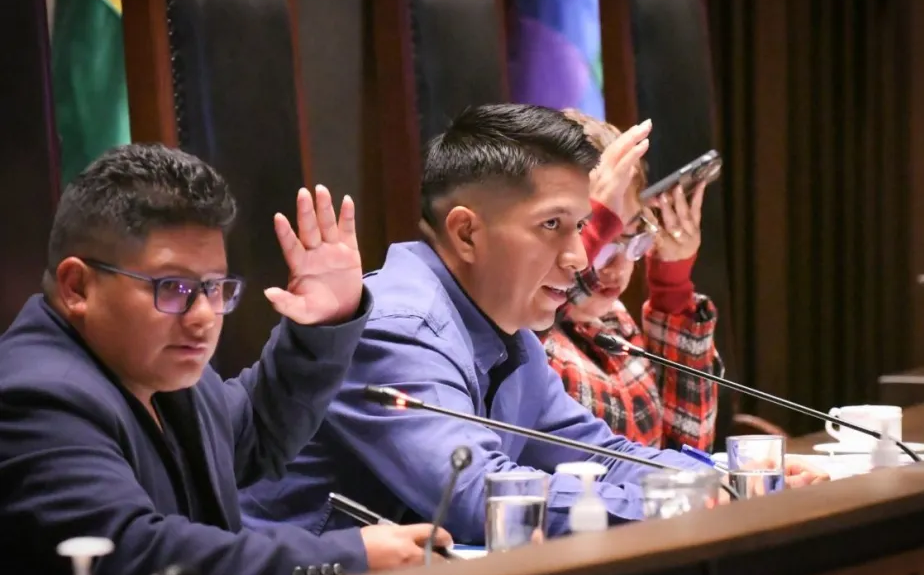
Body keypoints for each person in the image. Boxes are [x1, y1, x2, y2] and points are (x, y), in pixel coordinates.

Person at [239, 104, 828, 544]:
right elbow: (480, 497)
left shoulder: (509, 331)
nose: (577, 258)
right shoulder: (396, 326)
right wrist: (689, 498)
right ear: (467, 232)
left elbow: (602, 451)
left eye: (581, 227)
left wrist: (729, 476)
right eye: (553, 226)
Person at [0, 144, 450, 575]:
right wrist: (348, 556)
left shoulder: (157, 369)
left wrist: (326, 322)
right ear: (78, 287)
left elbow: (255, 432)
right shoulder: (35, 397)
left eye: (214, 288)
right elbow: (134, 553)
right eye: (172, 288)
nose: (203, 317)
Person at [541, 109, 719, 451]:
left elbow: (687, 451)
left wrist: (672, 289)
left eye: (634, 236)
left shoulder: (614, 323)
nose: (619, 266)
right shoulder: (520, 335)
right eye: (601, 237)